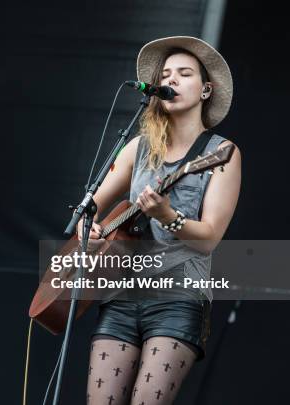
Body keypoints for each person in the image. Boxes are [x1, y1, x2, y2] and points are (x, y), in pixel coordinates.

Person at [82, 36, 241, 404]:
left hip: (180, 297)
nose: (172, 80)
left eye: (185, 74)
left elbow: (209, 237)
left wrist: (167, 216)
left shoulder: (222, 153)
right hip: (121, 295)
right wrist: (87, 230)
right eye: (166, 74)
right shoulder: (138, 147)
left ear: (205, 90)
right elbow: (88, 206)